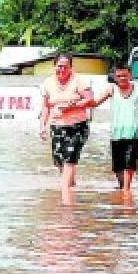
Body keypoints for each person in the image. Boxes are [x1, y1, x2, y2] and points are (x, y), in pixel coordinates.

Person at [86, 64, 138, 193]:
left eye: (124, 75)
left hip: (132, 133)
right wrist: (84, 98)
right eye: (119, 76)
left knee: (129, 164)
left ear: (130, 75)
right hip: (116, 133)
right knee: (118, 167)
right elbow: (95, 103)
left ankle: (126, 191)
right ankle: (123, 186)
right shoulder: (111, 89)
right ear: (115, 77)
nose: (122, 78)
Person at [39, 54, 94, 202]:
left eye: (65, 66)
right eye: (59, 66)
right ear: (54, 66)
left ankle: (65, 196)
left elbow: (90, 100)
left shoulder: (79, 81)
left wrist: (72, 106)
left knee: (70, 158)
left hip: (77, 126)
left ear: (71, 67)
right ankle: (71, 183)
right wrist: (42, 126)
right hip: (56, 125)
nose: (62, 69)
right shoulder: (48, 83)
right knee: (59, 160)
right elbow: (45, 106)